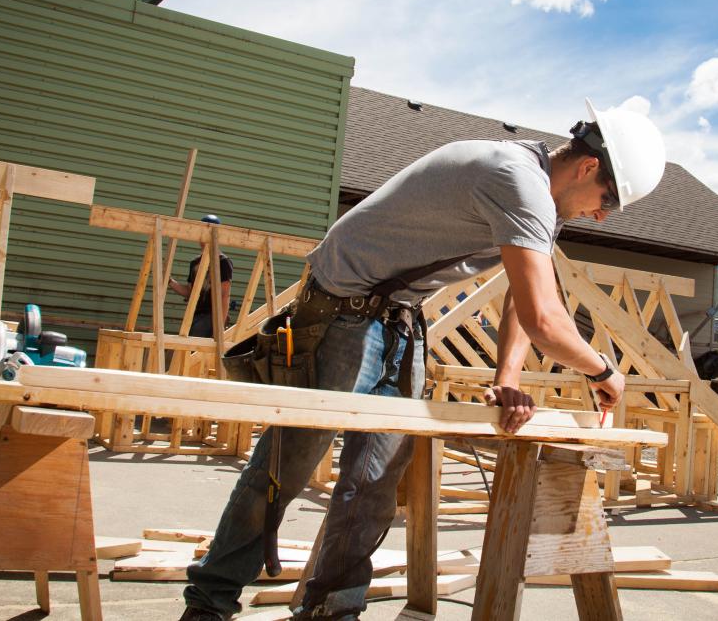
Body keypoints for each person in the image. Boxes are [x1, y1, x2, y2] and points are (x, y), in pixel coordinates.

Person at [179, 100, 666, 621]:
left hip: (396, 319)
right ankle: (210, 604)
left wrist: (506, 378)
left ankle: (332, 612)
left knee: (373, 485)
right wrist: (604, 370)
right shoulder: (517, 180)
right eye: (607, 203)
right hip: (340, 311)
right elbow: (545, 319)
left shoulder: (541, 196)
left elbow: (523, 301)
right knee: (286, 466)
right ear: (589, 167)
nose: (599, 215)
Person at [168, 214, 233, 338]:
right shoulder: (195, 263)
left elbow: (224, 295)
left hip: (211, 316)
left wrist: (219, 326)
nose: (202, 238)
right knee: (186, 351)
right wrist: (170, 281)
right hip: (195, 316)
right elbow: (190, 292)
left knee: (193, 353)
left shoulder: (222, 262)